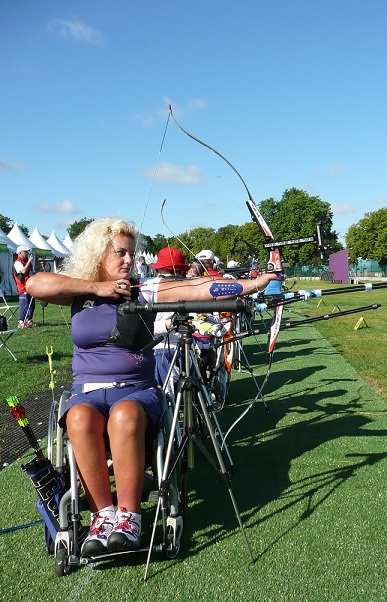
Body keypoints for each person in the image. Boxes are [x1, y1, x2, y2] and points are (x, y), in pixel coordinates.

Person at [26, 218, 276, 557]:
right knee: (79, 419)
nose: (129, 260)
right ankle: (103, 515)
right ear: (98, 254)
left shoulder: (145, 289)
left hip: (135, 392)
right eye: (120, 253)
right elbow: (35, 284)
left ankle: (129, 516)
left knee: (124, 416)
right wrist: (96, 288)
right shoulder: (77, 291)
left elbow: (200, 289)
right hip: (86, 392)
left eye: (132, 253)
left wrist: (254, 284)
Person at [147, 246, 190, 393]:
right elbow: (142, 328)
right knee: (166, 397)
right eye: (172, 272)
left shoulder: (188, 287)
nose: (175, 276)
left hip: (183, 347)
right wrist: (167, 325)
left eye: (178, 273)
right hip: (160, 351)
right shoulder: (148, 288)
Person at [13, 245, 35, 328]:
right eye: (25, 252)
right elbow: (23, 271)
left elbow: (31, 272)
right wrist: (29, 261)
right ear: (19, 253)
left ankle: (28, 320)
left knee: (31, 304)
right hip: (22, 287)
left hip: (30, 286)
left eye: (27, 251)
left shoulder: (26, 261)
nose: (27, 253)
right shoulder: (17, 262)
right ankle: (21, 321)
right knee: (24, 305)